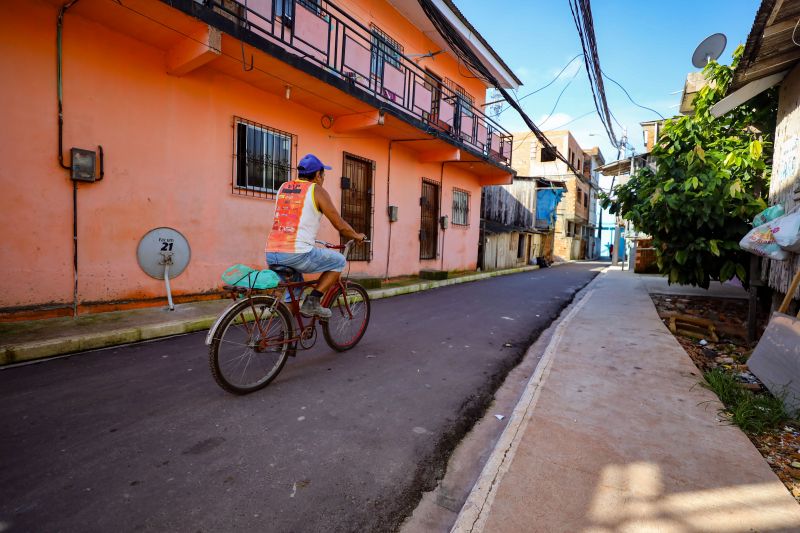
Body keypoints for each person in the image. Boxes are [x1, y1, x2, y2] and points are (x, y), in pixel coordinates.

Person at [265, 154, 366, 318]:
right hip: (297, 253)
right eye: (323, 174)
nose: (323, 178)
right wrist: (356, 236)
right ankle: (313, 302)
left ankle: (287, 335)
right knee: (339, 261)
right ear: (318, 175)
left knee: (294, 291)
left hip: (272, 252)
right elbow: (339, 225)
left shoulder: (284, 187)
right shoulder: (316, 190)